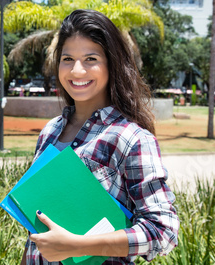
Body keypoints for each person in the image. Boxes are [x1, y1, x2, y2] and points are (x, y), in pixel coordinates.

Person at [21, 10, 179, 265]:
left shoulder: (131, 138)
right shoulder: (50, 131)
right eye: (68, 59)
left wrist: (77, 246)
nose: (77, 70)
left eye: (90, 58)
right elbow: (35, 235)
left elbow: (164, 231)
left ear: (112, 64)